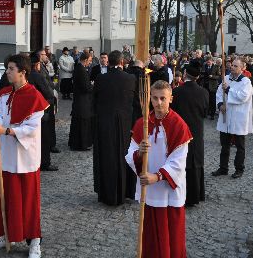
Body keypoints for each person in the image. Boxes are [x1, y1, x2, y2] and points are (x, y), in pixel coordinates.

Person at [0, 54, 48, 257]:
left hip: (24, 157)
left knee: (28, 200)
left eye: (11, 68)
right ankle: (4, 234)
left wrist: (6, 130)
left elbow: (31, 128)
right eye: (7, 68)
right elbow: (1, 119)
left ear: (23, 72)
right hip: (6, 155)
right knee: (5, 198)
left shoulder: (34, 96)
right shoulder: (3, 94)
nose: (8, 72)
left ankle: (34, 241)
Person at [125, 80, 192, 258]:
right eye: (155, 98)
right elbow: (129, 153)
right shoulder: (142, 123)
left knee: (171, 238)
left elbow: (178, 161)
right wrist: (139, 153)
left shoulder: (179, 125)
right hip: (149, 191)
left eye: (163, 98)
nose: (159, 102)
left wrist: (156, 176)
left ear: (171, 98)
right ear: (150, 99)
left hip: (168, 191)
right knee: (151, 238)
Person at [92, 50, 137, 206]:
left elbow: (95, 101)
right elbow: (134, 103)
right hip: (124, 124)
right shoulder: (130, 79)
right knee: (124, 155)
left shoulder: (100, 79)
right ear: (122, 62)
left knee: (107, 157)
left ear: (108, 62)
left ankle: (106, 192)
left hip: (105, 123)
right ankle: (125, 191)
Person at [171, 65, 208, 207]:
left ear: (185, 74)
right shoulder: (203, 92)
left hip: (180, 131)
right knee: (195, 161)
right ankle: (196, 195)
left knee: (180, 160)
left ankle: (180, 194)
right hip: (197, 131)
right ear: (198, 77)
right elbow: (205, 112)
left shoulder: (177, 92)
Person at [212, 59, 253, 179]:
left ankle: (239, 169)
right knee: (224, 144)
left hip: (238, 117)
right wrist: (220, 104)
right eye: (232, 65)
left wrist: (229, 90)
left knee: (240, 146)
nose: (232, 67)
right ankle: (223, 168)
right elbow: (219, 93)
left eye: (236, 66)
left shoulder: (246, 82)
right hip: (226, 115)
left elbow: (243, 97)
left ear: (242, 68)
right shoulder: (226, 78)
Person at [28, 51, 57, 171]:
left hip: (30, 111)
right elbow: (48, 92)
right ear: (37, 64)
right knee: (44, 138)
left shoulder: (25, 75)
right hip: (41, 110)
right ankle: (45, 162)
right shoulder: (36, 75)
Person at [69, 51, 94, 151]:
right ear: (85, 60)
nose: (90, 63)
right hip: (82, 101)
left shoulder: (79, 68)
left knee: (79, 123)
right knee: (82, 123)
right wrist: (92, 85)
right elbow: (86, 88)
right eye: (90, 61)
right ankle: (81, 144)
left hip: (80, 100)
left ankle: (77, 143)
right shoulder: (81, 70)